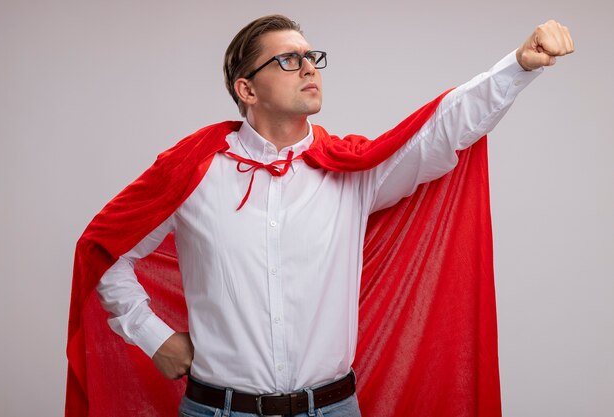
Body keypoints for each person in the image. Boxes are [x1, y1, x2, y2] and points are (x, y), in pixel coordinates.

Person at [67, 14, 574, 417]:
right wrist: (154, 338)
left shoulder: (353, 171)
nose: (310, 68)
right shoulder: (192, 172)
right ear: (247, 89)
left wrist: (517, 67)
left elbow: (439, 130)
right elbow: (104, 252)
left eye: (311, 57)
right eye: (289, 61)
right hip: (219, 409)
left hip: (331, 408)